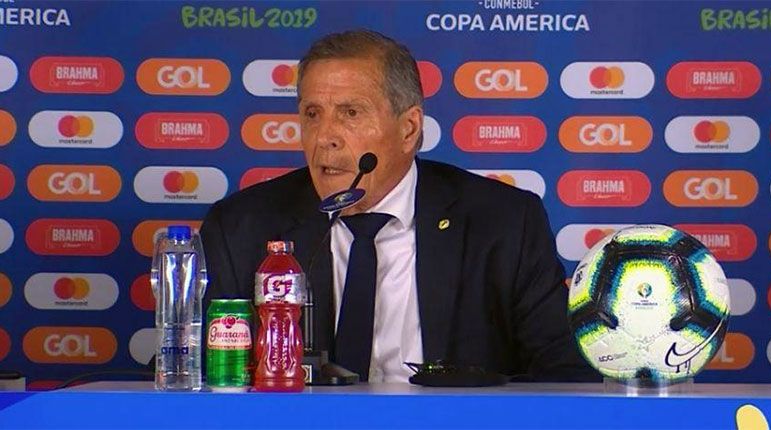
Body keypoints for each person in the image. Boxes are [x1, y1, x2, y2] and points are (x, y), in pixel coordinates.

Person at [200, 29, 597, 383]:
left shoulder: (503, 222)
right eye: (312, 114)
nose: (324, 137)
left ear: (409, 129)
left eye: (351, 113)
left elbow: (566, 373)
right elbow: (206, 376)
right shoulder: (242, 228)